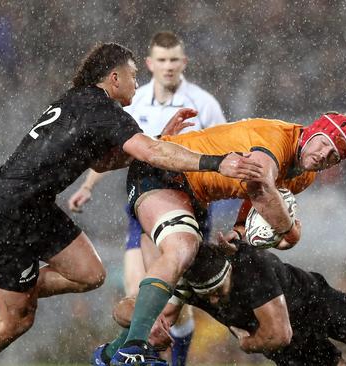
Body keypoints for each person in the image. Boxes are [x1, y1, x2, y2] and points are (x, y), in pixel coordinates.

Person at [0, 42, 263, 366]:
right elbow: (150, 154)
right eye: (133, 76)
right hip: (5, 213)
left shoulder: (79, 102)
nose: (137, 84)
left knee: (91, 274)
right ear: (114, 78)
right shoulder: (101, 110)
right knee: (17, 320)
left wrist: (157, 138)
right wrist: (216, 163)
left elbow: (104, 162)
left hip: (35, 208)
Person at [104, 112, 346, 365]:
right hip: (164, 172)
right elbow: (258, 186)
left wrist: (237, 236)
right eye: (324, 143)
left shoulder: (305, 174)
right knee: (182, 250)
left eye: (333, 156)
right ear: (312, 131)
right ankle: (133, 348)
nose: (323, 155)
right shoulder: (276, 139)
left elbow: (255, 210)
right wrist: (291, 231)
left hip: (195, 196)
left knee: (167, 309)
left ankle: (110, 353)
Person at [67, 31, 226, 366]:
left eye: (174, 60)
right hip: (142, 208)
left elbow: (224, 153)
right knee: (139, 300)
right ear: (151, 64)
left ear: (183, 62)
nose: (168, 67)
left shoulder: (204, 103)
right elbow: (121, 150)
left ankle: (134, 355)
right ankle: (127, 354)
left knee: (169, 304)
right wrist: (88, 186)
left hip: (185, 209)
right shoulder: (133, 101)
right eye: (161, 61)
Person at [111, 243, 346, 366]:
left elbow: (277, 334)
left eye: (220, 291)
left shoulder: (254, 269)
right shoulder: (189, 281)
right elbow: (126, 308)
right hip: (292, 343)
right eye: (210, 296)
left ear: (229, 270)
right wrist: (148, 326)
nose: (216, 300)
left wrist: (247, 342)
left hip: (318, 306)